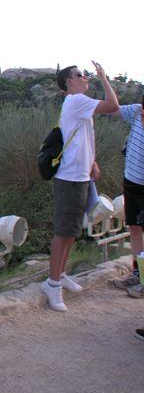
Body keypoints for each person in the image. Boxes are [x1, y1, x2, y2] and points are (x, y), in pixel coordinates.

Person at [41, 62, 119, 312]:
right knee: (63, 231)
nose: (85, 77)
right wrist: (103, 77)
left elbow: (82, 136)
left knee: (72, 230)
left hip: (79, 176)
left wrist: (92, 161)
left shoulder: (77, 103)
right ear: (69, 82)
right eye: (80, 75)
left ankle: (60, 274)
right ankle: (52, 284)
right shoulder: (76, 101)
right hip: (70, 178)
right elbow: (113, 106)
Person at [110, 98, 144, 297]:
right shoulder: (136, 111)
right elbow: (112, 109)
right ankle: (138, 273)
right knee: (134, 228)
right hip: (131, 182)